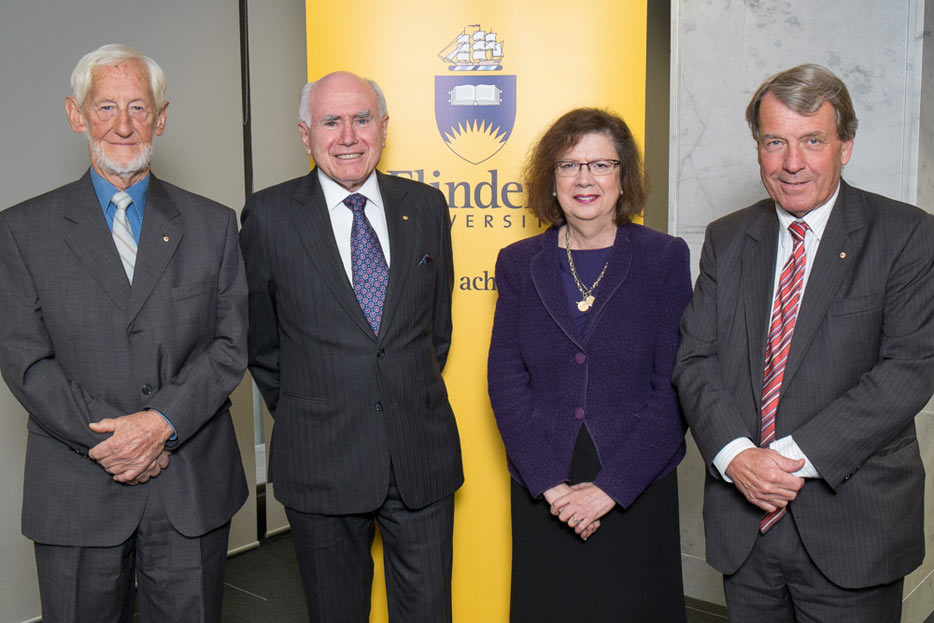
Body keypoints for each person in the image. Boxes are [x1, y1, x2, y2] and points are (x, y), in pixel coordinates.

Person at [674, 63, 934, 622]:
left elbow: (908, 369)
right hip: (745, 529)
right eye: (775, 142)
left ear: (845, 146)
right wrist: (736, 456)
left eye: (812, 140)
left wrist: (781, 462)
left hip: (851, 530)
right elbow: (696, 359)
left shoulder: (907, 235)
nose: (792, 163)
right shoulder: (727, 237)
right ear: (759, 148)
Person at [0, 44, 248, 623]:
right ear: (75, 114)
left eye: (139, 107)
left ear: (161, 117)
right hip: (77, 489)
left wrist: (160, 424)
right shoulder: (22, 231)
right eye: (105, 106)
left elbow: (231, 345)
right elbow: (25, 359)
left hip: (188, 485)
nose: (123, 124)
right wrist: (116, 441)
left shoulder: (212, 225)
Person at [240, 71, 462, 623]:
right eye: (330, 121)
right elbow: (259, 342)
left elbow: (435, 330)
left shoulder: (427, 206)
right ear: (305, 133)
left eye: (362, 119)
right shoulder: (268, 217)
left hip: (419, 454)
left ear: (383, 128)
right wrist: (309, 406)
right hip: (321, 457)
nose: (348, 136)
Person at [487, 107, 691, 621]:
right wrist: (552, 486)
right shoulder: (517, 262)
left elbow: (673, 387)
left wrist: (608, 490)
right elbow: (507, 379)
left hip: (633, 480)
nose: (584, 178)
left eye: (601, 165)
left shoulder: (663, 258)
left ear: (624, 178)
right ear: (550, 180)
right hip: (547, 481)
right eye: (568, 164)